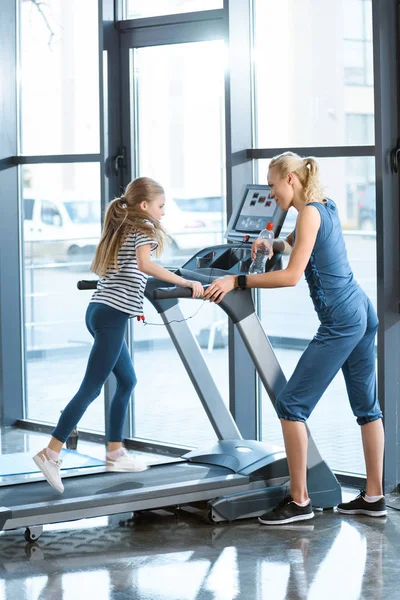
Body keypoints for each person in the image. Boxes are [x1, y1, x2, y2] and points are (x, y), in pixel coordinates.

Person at [203, 152, 386, 524]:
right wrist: (274, 246)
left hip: (341, 320)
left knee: (291, 406)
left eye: (272, 185)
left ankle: (300, 502)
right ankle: (374, 497)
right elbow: (296, 243)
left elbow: (289, 277)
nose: (271, 194)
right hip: (361, 310)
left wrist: (236, 280)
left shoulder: (309, 214)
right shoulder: (324, 206)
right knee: (368, 409)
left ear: (290, 179)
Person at [33, 177, 203, 494]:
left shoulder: (122, 227)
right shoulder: (145, 231)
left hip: (100, 311)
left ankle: (115, 452)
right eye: (161, 206)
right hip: (111, 317)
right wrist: (185, 283)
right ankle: (51, 452)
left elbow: (126, 273)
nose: (163, 213)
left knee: (127, 381)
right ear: (144, 206)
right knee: (91, 389)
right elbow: (145, 265)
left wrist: (134, 303)